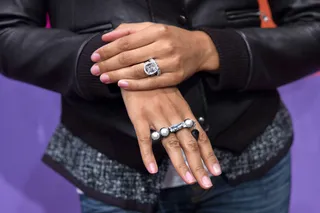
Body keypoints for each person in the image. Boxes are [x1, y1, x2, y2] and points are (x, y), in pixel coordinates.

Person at [0, 0, 319, 212]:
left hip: (248, 153)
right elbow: (7, 31)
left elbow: (313, 22)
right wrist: (119, 66)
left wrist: (210, 49)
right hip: (110, 165)